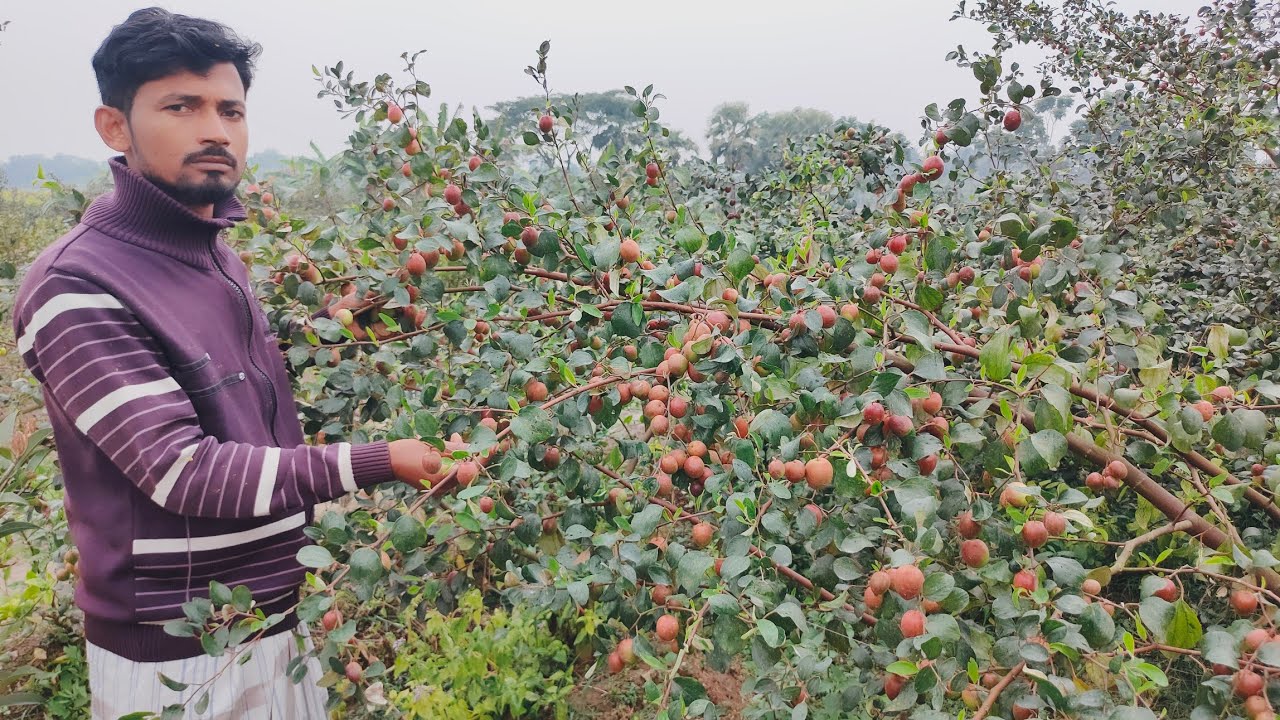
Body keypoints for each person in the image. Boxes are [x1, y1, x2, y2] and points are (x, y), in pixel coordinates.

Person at [12, 8, 438, 718]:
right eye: (181, 106)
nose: (215, 129)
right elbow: (186, 470)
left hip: (273, 615)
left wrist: (341, 326)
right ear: (115, 127)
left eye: (230, 109)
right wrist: (381, 459)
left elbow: (226, 378)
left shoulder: (217, 255)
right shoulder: (75, 285)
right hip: (177, 650)